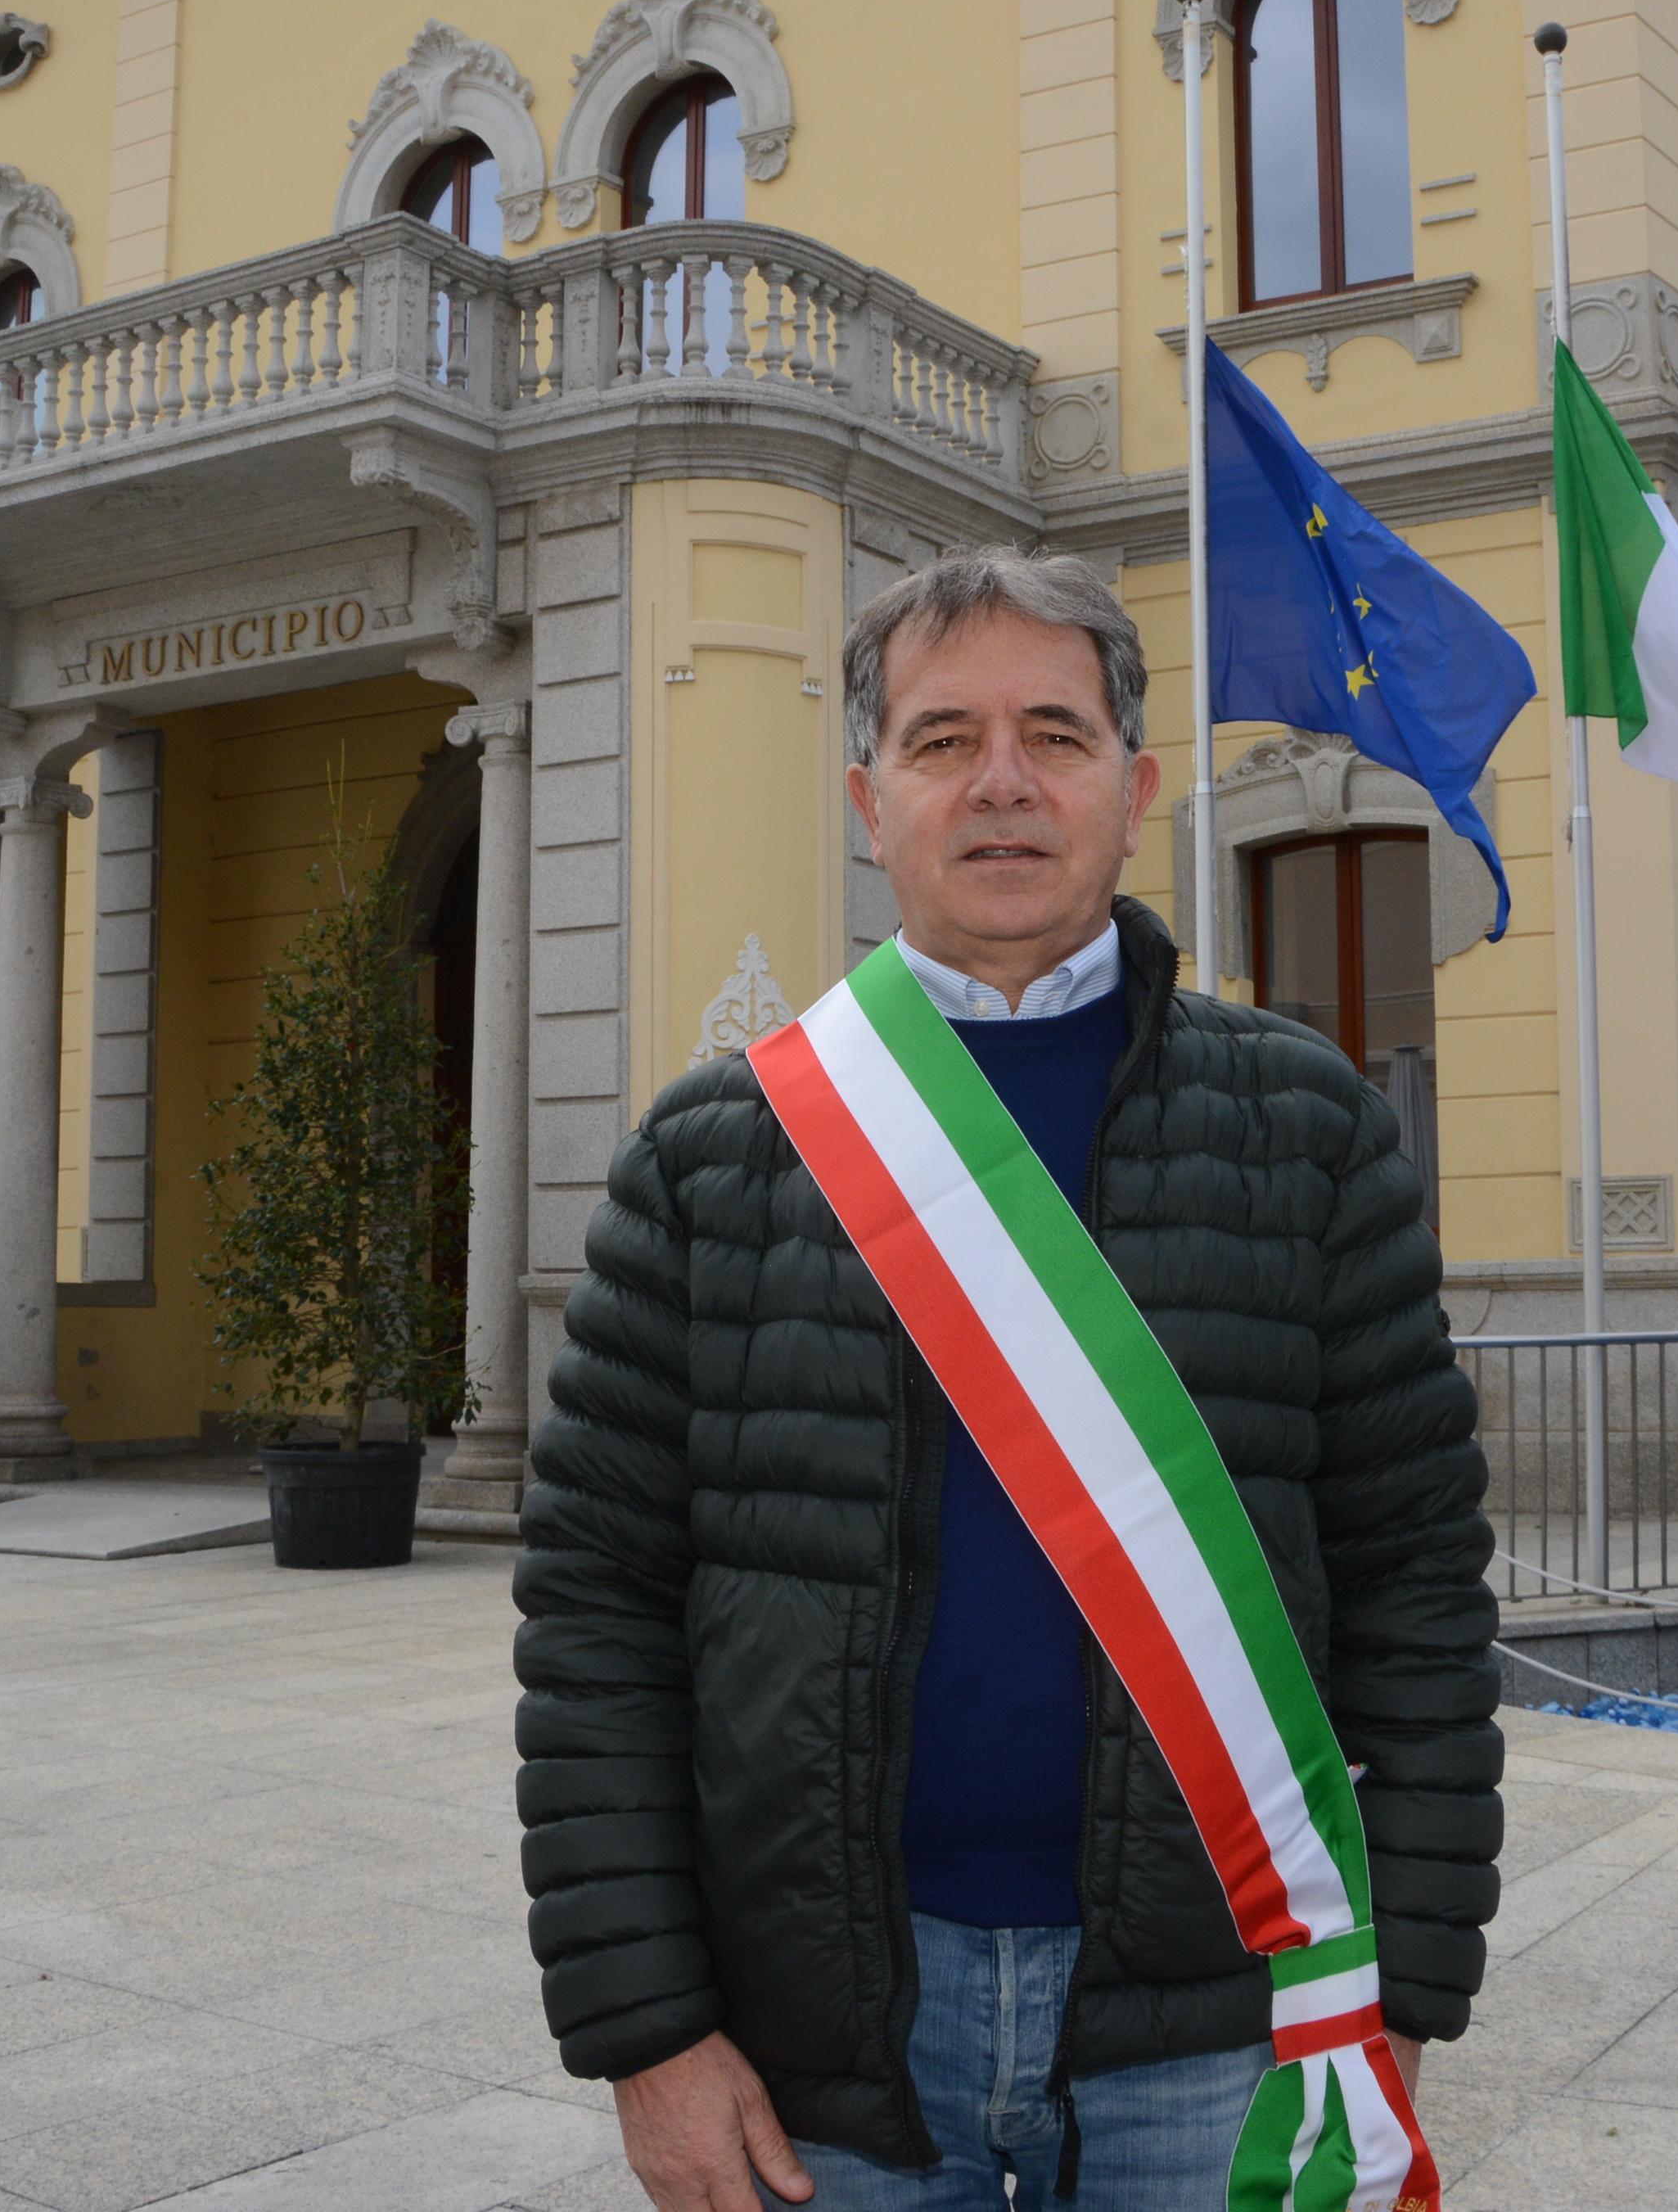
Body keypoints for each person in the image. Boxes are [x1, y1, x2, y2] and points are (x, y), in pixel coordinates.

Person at [517, 546, 1501, 2210]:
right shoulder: (714, 1156)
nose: (999, 785)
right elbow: (598, 1611)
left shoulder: (1310, 1128)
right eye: (939, 738)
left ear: (1131, 788)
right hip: (823, 2035)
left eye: (1052, 734)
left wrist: (1400, 1991)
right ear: (866, 795)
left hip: (1226, 2023)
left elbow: (1415, 1585)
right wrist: (646, 2033)